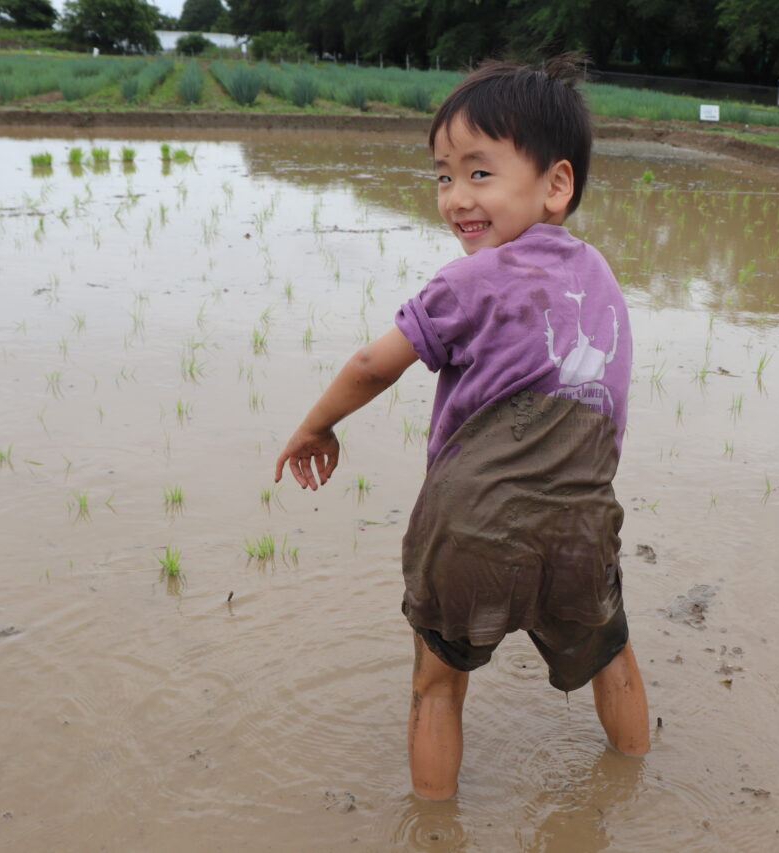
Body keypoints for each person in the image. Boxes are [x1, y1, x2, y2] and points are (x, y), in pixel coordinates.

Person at [274, 57, 650, 800]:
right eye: (444, 176)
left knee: (437, 684)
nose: (455, 199)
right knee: (613, 651)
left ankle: (435, 825)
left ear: (556, 184)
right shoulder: (602, 274)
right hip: (580, 522)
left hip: (471, 525)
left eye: (480, 174)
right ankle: (635, 778)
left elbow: (373, 363)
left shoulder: (466, 281)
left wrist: (317, 425)